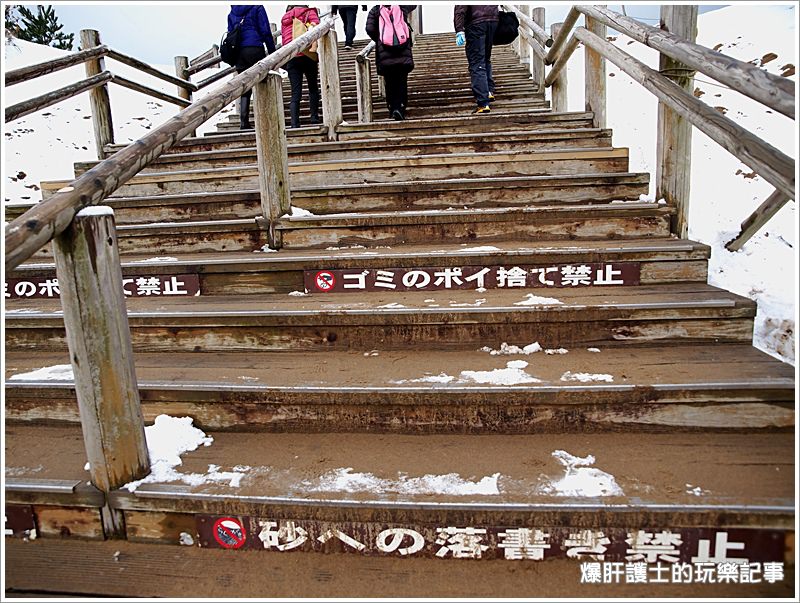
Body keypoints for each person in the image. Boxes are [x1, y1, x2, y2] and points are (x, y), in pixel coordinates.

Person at [227, 5, 277, 129]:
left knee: (245, 87)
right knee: (262, 83)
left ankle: (244, 122)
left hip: (239, 53)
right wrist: (272, 52)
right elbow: (265, 31)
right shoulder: (257, 7)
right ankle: (266, 122)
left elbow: (230, 32)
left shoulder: (232, 12)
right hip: (255, 48)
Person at [365, 5, 415, 121]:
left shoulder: (376, 9)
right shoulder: (402, 6)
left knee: (390, 82)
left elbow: (369, 28)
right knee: (402, 81)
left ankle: (393, 108)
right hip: (403, 52)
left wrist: (381, 38)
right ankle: (401, 108)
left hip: (385, 53)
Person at [281, 5, 321, 128]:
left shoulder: (285, 18)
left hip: (292, 56)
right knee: (313, 87)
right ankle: (314, 117)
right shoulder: (309, 13)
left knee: (295, 92)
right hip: (308, 54)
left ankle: (294, 123)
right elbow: (317, 28)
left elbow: (284, 38)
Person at [454, 5, 498, 114]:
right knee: (485, 58)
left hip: (476, 22)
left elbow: (460, 9)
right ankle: (488, 91)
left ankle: (483, 103)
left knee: (477, 62)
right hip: (492, 20)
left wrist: (459, 30)